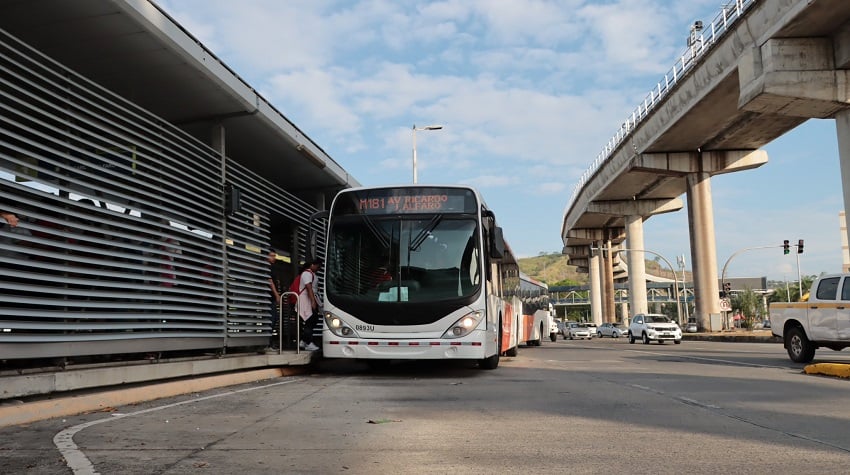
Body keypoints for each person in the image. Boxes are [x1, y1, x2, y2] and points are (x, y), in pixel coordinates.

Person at [298, 258, 322, 351]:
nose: (318, 269)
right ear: (313, 265)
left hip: (310, 299)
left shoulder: (312, 274)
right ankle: (308, 343)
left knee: (313, 319)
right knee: (310, 320)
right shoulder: (307, 274)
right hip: (306, 300)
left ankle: (304, 341)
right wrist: (312, 301)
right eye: (318, 267)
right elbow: (309, 288)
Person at [267, 250, 286, 348]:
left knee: (274, 318)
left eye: (274, 256)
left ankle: (269, 342)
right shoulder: (267, 268)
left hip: (272, 298)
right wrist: (277, 295)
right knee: (272, 319)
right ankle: (268, 342)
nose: (273, 258)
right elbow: (270, 282)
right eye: (271, 256)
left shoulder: (272, 268)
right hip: (269, 298)